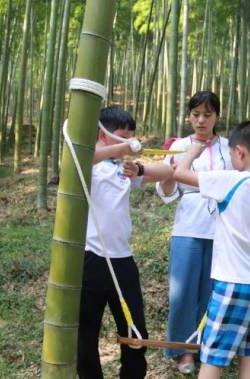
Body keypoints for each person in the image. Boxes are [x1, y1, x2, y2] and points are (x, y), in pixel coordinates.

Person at [173, 121, 250, 379]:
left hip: (232, 283)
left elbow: (180, 174)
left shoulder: (230, 181)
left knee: (213, 357)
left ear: (239, 152)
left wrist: (193, 151)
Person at [77, 106, 173, 379]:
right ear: (102, 135)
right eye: (122, 136)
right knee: (85, 335)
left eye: (131, 136)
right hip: (92, 260)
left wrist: (137, 165)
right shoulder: (88, 166)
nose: (129, 142)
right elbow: (79, 158)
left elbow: (167, 171)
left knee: (136, 333)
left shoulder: (123, 169)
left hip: (123, 262)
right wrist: (119, 149)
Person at [156, 91, 232, 374]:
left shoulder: (229, 146)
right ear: (189, 116)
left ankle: (208, 346)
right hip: (188, 224)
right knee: (183, 289)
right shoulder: (179, 145)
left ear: (217, 117)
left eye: (207, 115)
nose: (201, 120)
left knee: (213, 290)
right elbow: (167, 190)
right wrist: (167, 175)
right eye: (195, 114)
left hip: (222, 227)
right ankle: (183, 351)